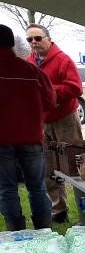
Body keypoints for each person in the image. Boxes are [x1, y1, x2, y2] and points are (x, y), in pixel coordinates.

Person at [24, 24, 82, 225]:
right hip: (44, 120)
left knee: (74, 165)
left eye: (38, 38)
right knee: (49, 169)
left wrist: (48, 90)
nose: (34, 43)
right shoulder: (29, 61)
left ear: (48, 39)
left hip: (65, 118)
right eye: (29, 40)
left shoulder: (63, 60)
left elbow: (75, 88)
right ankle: (59, 209)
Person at [0, 24, 56, 231]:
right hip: (30, 137)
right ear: (12, 44)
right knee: (37, 188)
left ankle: (16, 234)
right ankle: (44, 231)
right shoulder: (31, 70)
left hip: (1, 140)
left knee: (7, 189)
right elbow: (50, 101)